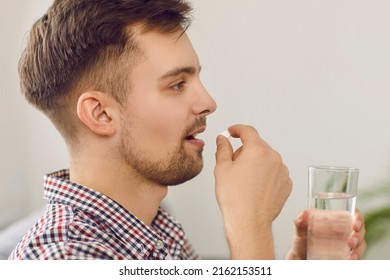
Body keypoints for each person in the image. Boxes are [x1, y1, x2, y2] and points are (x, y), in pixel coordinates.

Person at [9, 0, 366, 260]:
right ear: (100, 114)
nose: (208, 102)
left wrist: (294, 266)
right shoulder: (63, 257)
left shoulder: (154, 228)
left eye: (196, 77)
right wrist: (248, 224)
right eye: (177, 84)